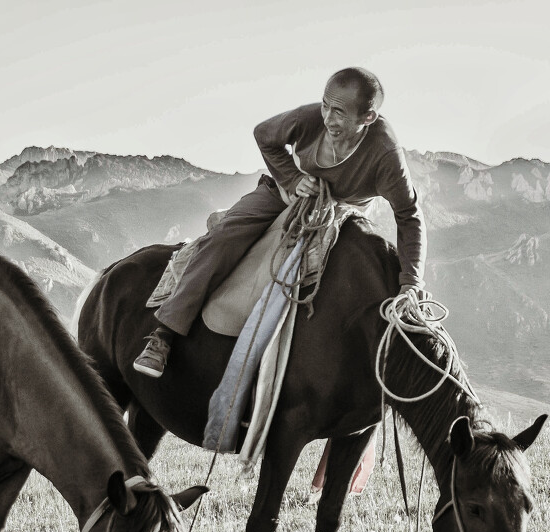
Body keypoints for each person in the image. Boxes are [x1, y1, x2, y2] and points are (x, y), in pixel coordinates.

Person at [134, 66, 427, 378]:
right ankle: (163, 335)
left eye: (339, 112)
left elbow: (408, 216)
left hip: (338, 215)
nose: (328, 118)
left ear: (367, 119)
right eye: (326, 105)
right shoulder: (309, 118)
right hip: (285, 194)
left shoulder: (385, 153)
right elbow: (264, 134)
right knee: (224, 236)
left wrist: (410, 283)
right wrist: (293, 178)